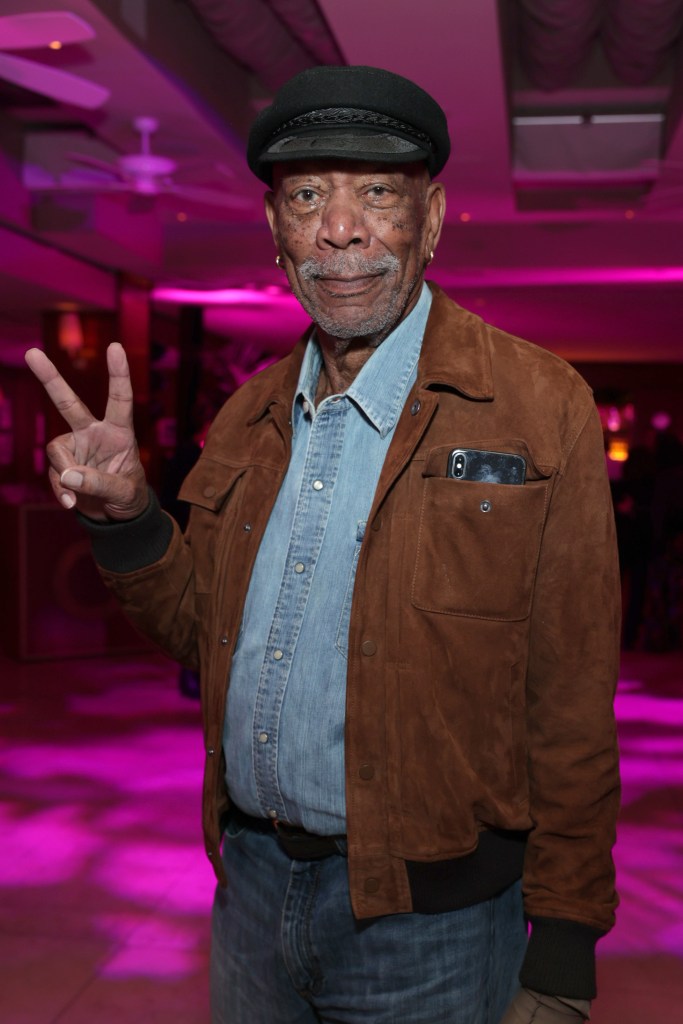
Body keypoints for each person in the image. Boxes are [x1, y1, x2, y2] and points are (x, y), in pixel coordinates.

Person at [26, 65, 621, 1024]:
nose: (340, 230)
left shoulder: (537, 407)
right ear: (276, 234)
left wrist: (561, 952)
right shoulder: (247, 416)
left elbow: (570, 700)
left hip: (435, 922)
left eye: (377, 194)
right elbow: (206, 636)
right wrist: (127, 515)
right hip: (253, 893)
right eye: (308, 196)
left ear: (429, 223)